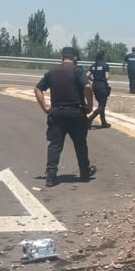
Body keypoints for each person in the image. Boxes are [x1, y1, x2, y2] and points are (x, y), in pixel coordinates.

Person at [33, 47, 95, 187]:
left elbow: (37, 89)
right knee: (80, 144)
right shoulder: (77, 71)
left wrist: (45, 108)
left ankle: (51, 176)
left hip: (57, 113)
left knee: (55, 145)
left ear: (62, 57)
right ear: (74, 58)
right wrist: (90, 106)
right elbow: (88, 87)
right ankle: (85, 173)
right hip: (76, 113)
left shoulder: (52, 72)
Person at [88, 50, 112, 128]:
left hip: (95, 85)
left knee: (100, 104)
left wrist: (93, 80)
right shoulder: (105, 65)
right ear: (103, 57)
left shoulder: (93, 66)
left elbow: (87, 75)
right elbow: (107, 77)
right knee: (102, 106)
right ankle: (90, 119)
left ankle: (103, 122)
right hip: (102, 86)